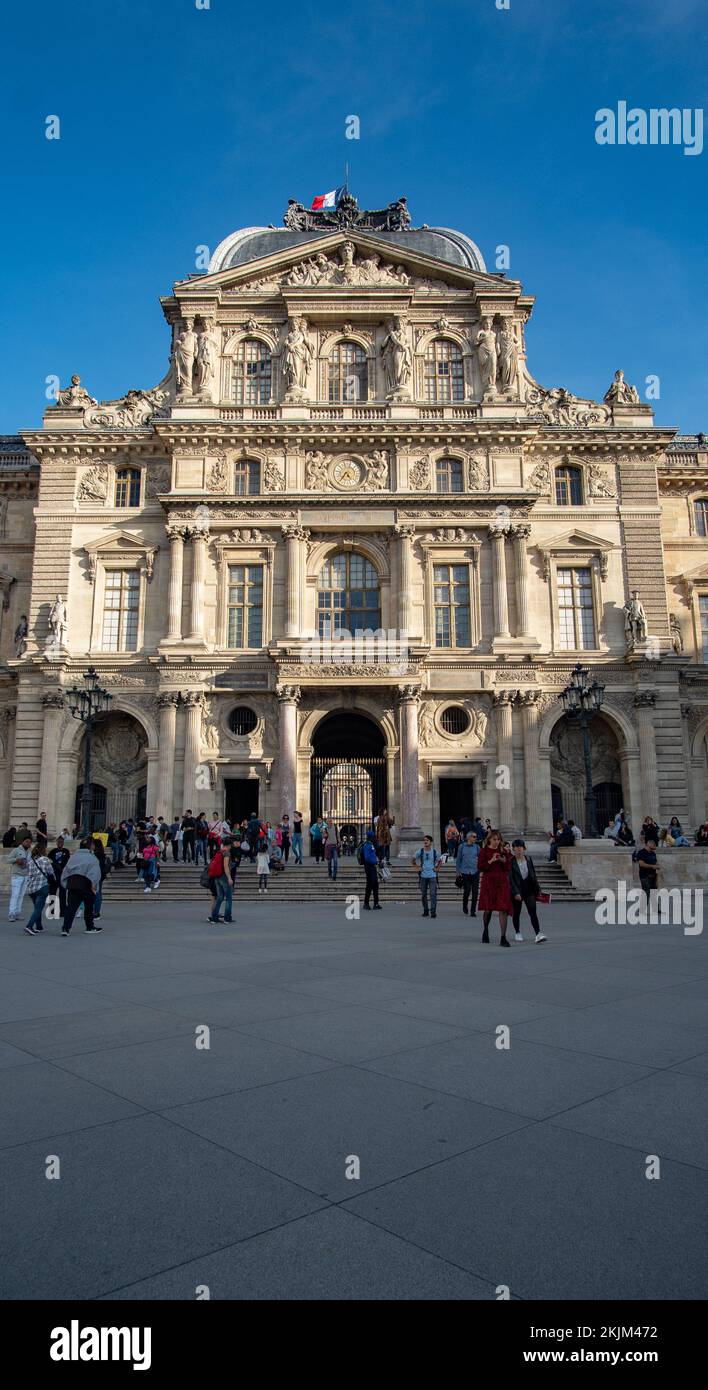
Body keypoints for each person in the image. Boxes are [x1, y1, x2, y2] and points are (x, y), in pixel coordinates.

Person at [478, 830, 513, 946]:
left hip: (501, 882)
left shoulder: (503, 851)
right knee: (488, 909)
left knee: (503, 909)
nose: (497, 842)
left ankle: (503, 937)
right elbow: (480, 867)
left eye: (498, 839)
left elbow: (508, 867)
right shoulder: (484, 851)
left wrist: (503, 860)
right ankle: (485, 930)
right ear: (489, 840)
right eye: (494, 839)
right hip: (489, 882)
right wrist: (491, 860)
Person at [60, 839, 102, 934]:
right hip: (85, 883)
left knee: (71, 907)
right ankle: (89, 927)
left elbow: (66, 870)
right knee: (89, 907)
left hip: (72, 883)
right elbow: (94, 873)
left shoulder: (73, 857)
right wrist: (94, 885)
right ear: (90, 846)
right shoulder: (92, 857)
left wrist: (65, 883)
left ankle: (65, 928)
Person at [509, 840, 547, 943]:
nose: (518, 849)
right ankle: (517, 932)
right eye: (516, 847)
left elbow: (533, 875)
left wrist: (538, 889)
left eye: (520, 847)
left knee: (533, 912)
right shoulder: (511, 862)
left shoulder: (529, 859)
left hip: (529, 889)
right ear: (513, 849)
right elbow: (510, 879)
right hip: (517, 889)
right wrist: (515, 892)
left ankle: (538, 933)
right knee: (517, 912)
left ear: (524, 848)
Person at [23, 842, 55, 935]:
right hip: (42, 886)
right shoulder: (45, 860)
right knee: (39, 908)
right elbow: (50, 872)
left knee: (37, 908)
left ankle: (39, 926)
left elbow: (28, 873)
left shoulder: (30, 861)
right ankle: (29, 926)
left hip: (31, 888)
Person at [413, 834, 441, 918]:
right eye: (424, 840)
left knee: (433, 894)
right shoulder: (420, 851)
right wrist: (417, 867)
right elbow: (412, 859)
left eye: (427, 840)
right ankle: (425, 910)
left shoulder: (435, 852)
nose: (425, 841)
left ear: (431, 842)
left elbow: (440, 861)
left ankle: (433, 911)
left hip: (432, 875)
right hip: (423, 876)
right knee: (423, 894)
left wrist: (437, 868)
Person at [7, 833, 33, 922]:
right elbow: (8, 859)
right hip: (17, 876)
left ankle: (17, 913)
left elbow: (29, 863)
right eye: (26, 842)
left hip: (25, 875)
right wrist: (16, 860)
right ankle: (11, 914)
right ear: (23, 842)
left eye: (29, 842)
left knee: (21, 895)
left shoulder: (29, 852)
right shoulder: (16, 850)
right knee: (15, 895)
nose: (28, 844)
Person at [207, 837, 234, 921]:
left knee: (219, 897)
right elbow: (226, 866)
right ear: (229, 845)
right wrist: (229, 878)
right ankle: (227, 918)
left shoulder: (219, 851)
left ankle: (214, 917)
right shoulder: (226, 853)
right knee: (229, 898)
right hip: (224, 877)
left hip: (217, 876)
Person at [455, 830, 480, 916]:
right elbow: (458, 860)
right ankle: (465, 905)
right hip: (465, 872)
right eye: (474, 837)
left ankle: (473, 911)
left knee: (475, 892)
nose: (475, 838)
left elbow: (480, 859)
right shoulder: (461, 846)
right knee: (467, 890)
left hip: (475, 871)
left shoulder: (477, 847)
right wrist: (457, 872)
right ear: (469, 837)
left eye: (476, 837)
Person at [48, 836, 70, 920]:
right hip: (54, 875)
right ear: (56, 843)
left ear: (63, 843)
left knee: (63, 894)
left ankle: (63, 911)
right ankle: (51, 911)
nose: (60, 843)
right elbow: (49, 860)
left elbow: (67, 861)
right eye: (59, 842)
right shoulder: (53, 851)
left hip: (63, 875)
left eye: (61, 842)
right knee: (52, 893)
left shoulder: (66, 851)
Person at [634, 836, 659, 909]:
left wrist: (657, 878)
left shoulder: (653, 853)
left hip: (653, 876)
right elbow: (641, 864)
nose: (655, 846)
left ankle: (655, 908)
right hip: (645, 876)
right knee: (646, 893)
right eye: (654, 845)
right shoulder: (642, 853)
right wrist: (652, 866)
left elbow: (656, 864)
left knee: (654, 892)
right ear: (649, 845)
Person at [361, 829, 381, 909]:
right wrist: (375, 861)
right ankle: (366, 903)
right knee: (370, 885)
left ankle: (376, 903)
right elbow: (367, 857)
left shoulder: (371, 844)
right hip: (369, 867)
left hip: (372, 867)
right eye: (373, 836)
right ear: (371, 837)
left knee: (375, 885)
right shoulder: (367, 845)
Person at [92, 837, 111, 917]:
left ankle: (96, 911)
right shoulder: (102, 854)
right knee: (98, 893)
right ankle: (96, 910)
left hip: (96, 875)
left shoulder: (96, 854)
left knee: (96, 893)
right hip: (100, 875)